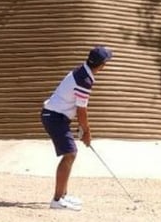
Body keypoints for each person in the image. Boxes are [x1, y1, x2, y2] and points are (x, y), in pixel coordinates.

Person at [40, 45, 113, 211]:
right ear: (102, 65)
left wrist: (83, 129)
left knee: (70, 154)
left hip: (56, 116)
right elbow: (81, 110)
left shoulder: (83, 71)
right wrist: (86, 132)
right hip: (53, 117)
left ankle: (63, 196)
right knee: (70, 154)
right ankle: (57, 200)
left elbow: (77, 107)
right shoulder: (84, 81)